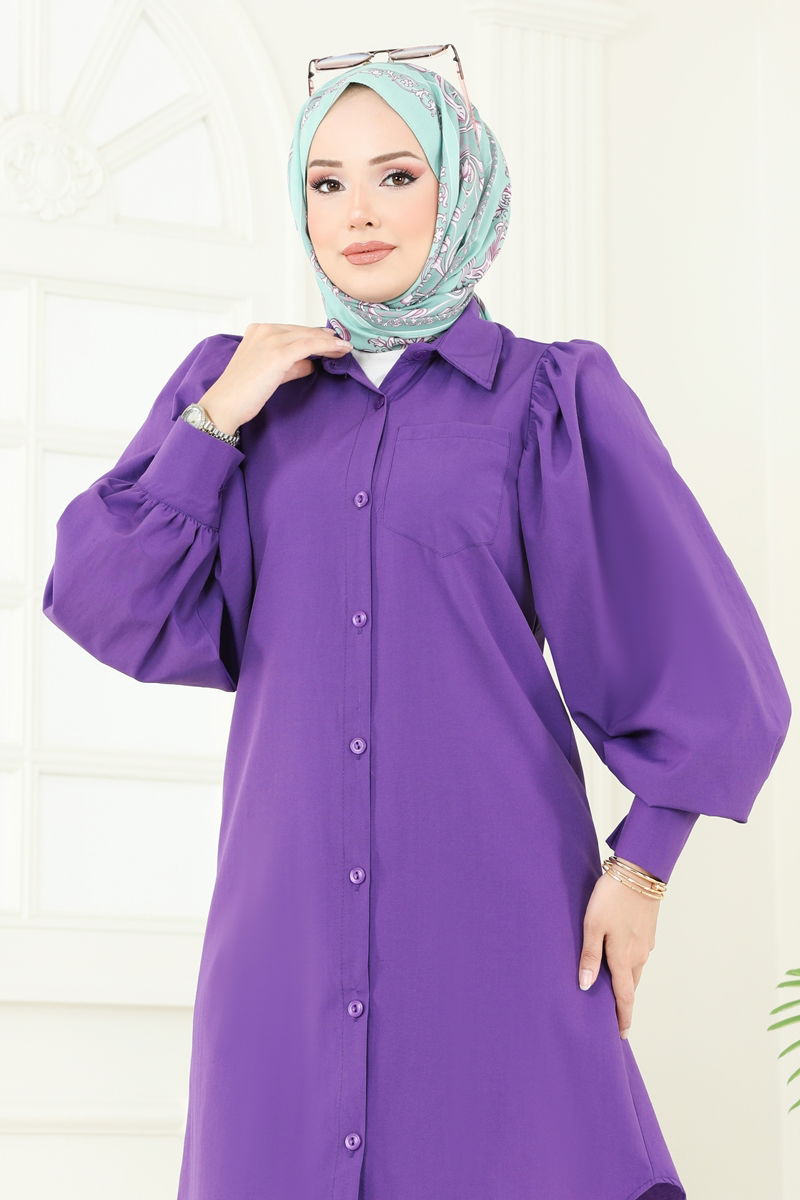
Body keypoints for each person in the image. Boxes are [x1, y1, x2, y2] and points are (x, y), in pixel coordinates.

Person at [41, 56, 791, 1200]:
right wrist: (219, 414)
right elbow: (105, 596)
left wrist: (640, 872)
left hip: (499, 915)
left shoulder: (545, 400)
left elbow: (698, 658)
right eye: (326, 183)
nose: (357, 212)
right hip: (282, 932)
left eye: (395, 175)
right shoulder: (239, 395)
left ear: (460, 190)